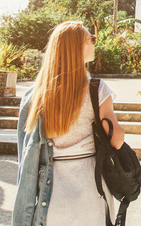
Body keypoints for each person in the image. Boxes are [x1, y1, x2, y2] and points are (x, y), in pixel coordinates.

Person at [12, 21, 124, 226]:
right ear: (78, 48)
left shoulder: (34, 96)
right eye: (91, 39)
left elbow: (26, 160)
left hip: (52, 200)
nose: (94, 43)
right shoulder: (97, 90)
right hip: (91, 197)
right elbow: (116, 140)